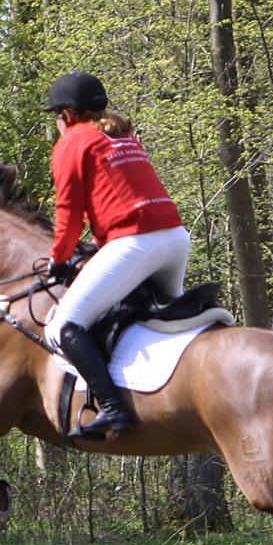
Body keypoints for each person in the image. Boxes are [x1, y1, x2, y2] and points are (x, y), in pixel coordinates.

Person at [43, 71, 190, 439]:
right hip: (174, 238)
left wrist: (59, 260)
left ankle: (114, 410)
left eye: (57, 117)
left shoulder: (73, 142)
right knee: (159, 317)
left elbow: (68, 214)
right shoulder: (121, 136)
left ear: (68, 115)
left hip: (137, 244)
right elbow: (121, 199)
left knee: (65, 325)